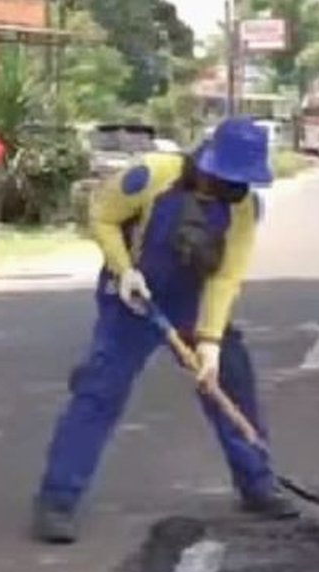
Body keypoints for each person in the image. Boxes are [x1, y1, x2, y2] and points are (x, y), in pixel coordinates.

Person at [32, 116, 299, 545]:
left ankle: (258, 483)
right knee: (101, 391)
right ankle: (57, 499)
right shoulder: (153, 175)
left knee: (231, 382)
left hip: (191, 302)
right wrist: (124, 271)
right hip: (131, 300)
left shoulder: (245, 208)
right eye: (228, 178)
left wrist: (209, 341)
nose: (235, 188)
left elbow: (226, 277)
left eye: (242, 181)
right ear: (208, 162)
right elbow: (100, 215)